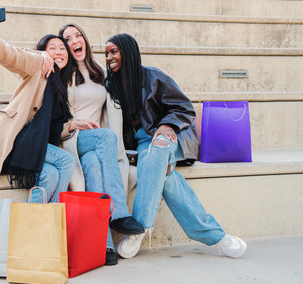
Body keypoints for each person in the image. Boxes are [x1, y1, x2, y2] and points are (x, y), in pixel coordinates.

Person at [104, 33, 247, 259]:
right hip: (143, 142)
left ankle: (138, 229)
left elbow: (184, 108)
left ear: (128, 52)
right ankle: (218, 237)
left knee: (159, 149)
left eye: (114, 51)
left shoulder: (153, 77)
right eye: (106, 53)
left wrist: (167, 125)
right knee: (164, 175)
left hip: (172, 134)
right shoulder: (111, 85)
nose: (109, 57)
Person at [57, 24, 144, 265]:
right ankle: (118, 213)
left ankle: (104, 245)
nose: (74, 40)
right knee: (106, 136)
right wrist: (76, 124)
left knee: (93, 166)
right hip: (74, 139)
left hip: (95, 148)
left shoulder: (100, 73)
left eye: (77, 35)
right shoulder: (63, 75)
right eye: (67, 38)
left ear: (84, 39)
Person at [0, 6, 76, 203]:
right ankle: (54, 217)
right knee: (67, 160)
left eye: (63, 48)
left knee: (50, 175)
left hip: (34, 146)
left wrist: (72, 126)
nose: (58, 52)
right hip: (17, 143)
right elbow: (13, 55)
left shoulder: (60, 85)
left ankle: (33, 231)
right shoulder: (39, 65)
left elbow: (49, 124)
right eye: (52, 48)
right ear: (43, 51)